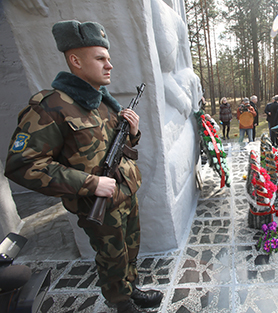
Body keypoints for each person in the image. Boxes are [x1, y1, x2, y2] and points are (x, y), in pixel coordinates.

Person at [3, 20, 162, 313]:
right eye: (100, 58)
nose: (109, 65)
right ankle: (121, 303)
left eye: (108, 58)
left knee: (130, 252)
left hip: (125, 193)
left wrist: (134, 132)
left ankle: (131, 289)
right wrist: (90, 184)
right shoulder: (50, 106)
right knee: (111, 256)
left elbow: (115, 148)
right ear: (75, 61)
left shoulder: (104, 103)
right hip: (96, 200)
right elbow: (22, 165)